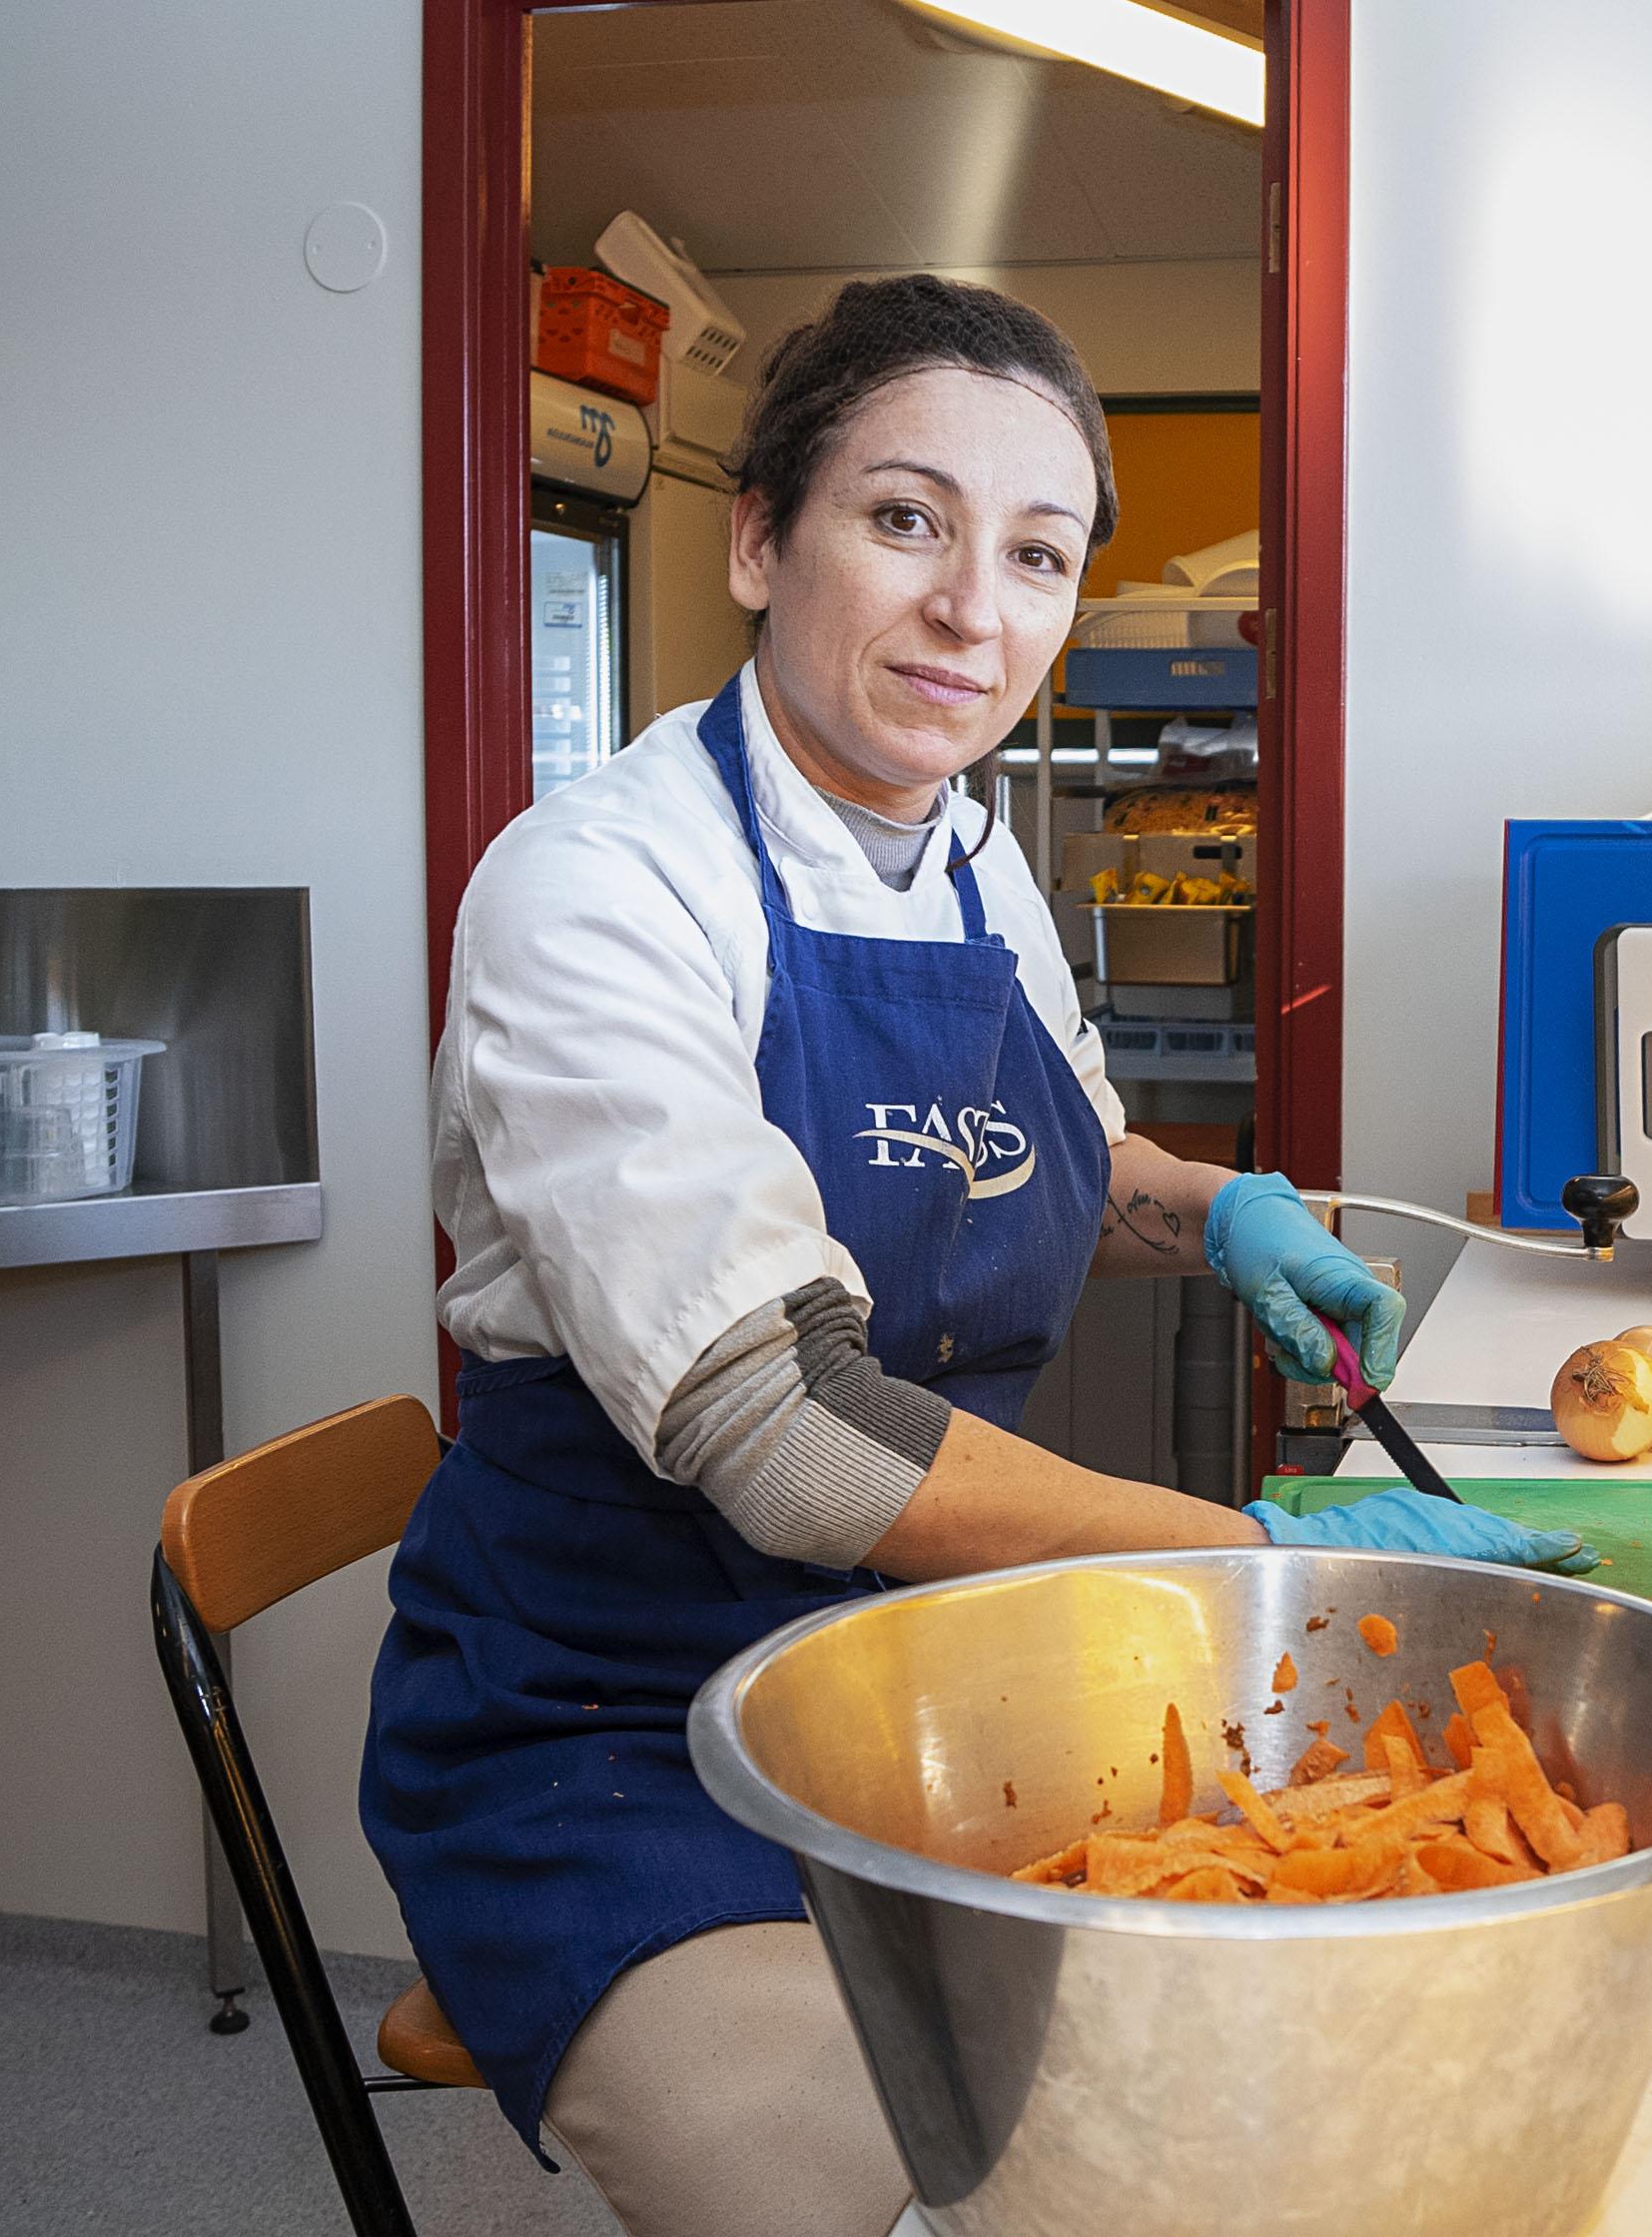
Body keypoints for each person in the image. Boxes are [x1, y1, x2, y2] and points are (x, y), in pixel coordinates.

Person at [363, 275, 1588, 2237]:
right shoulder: (598, 885)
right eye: (907, 519)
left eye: (1040, 554)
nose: (974, 610)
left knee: (1282, 2068)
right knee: (947, 2193)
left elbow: (1046, 1156)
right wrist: (1256, 1563)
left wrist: (1211, 1207)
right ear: (762, 537)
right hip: (611, 1727)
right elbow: (787, 1424)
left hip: (931, 1673)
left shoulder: (975, 854)